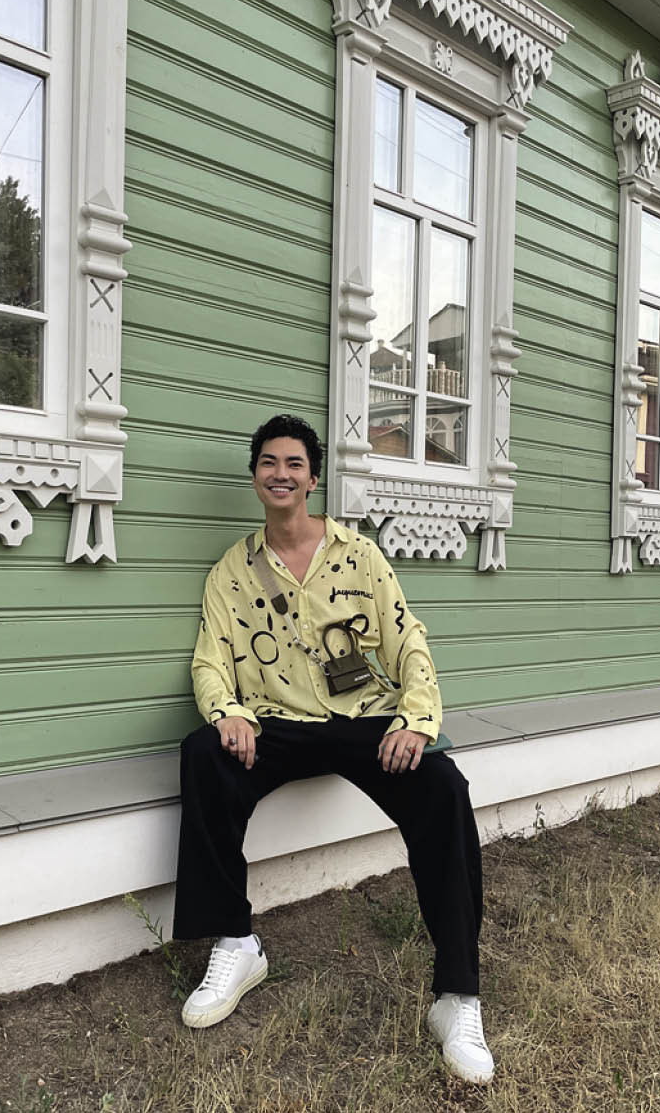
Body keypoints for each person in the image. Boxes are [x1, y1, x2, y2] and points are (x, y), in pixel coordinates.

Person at [172, 414, 493, 1085]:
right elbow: (209, 660)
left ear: (313, 478)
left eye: (294, 463)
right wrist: (228, 713)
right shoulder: (231, 572)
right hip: (275, 719)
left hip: (360, 716)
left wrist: (416, 719)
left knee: (444, 788)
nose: (280, 473)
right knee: (204, 755)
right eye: (269, 462)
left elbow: (408, 642)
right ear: (255, 475)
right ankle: (236, 942)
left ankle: (457, 995)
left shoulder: (360, 556)